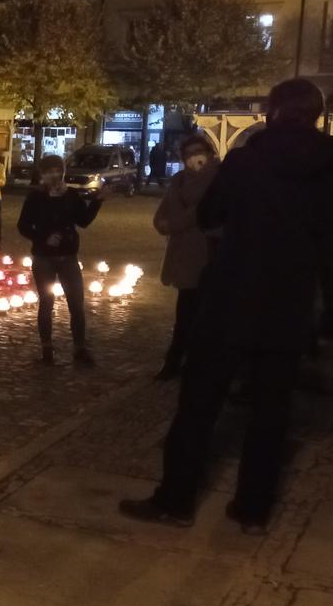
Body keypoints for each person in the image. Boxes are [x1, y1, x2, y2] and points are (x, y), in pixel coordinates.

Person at [121, 79, 333, 533]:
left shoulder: (247, 158)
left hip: (232, 296)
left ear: (273, 111)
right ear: (316, 113)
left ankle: (176, 499)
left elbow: (211, 214)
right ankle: (252, 509)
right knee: (272, 412)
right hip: (290, 303)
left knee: (199, 404)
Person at [17, 155, 102, 367]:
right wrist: (43, 237)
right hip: (44, 258)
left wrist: (97, 201)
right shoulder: (35, 198)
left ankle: (79, 349)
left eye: (58, 170)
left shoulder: (71, 195)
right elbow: (23, 226)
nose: (55, 175)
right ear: (42, 175)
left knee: (76, 304)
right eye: (49, 171)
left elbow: (83, 221)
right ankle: (47, 348)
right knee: (46, 303)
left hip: (68, 257)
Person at [153, 136, 220, 381]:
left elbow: (200, 212)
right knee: (185, 313)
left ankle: (194, 363)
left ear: (209, 152)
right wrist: (162, 223)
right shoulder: (179, 181)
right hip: (183, 255)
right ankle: (176, 360)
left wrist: (172, 223)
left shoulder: (218, 179)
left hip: (208, 255)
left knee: (203, 313)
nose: (193, 157)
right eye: (188, 153)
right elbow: (163, 212)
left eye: (198, 151)